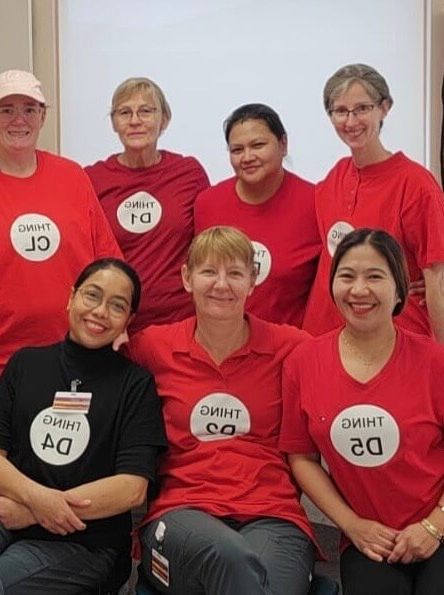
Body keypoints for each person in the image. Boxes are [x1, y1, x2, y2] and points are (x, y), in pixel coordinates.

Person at [0, 258, 167, 594]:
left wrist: (35, 512)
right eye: (92, 296)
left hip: (85, 540)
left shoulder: (135, 385)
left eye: (117, 305)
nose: (99, 311)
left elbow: (131, 488)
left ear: (129, 320)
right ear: (71, 298)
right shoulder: (25, 363)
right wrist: (36, 502)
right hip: (6, 513)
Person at [280, 229, 444, 595]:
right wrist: (350, 524)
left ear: (400, 290)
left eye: (375, 277)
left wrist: (434, 526)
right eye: (347, 276)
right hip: (370, 533)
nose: (359, 290)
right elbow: (301, 458)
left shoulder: (440, 365)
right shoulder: (303, 364)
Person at [126, 226, 317, 595]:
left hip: (273, 515)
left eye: (235, 273)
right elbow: (83, 369)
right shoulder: (152, 346)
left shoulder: (290, 347)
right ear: (187, 278)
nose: (221, 284)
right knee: (229, 558)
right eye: (209, 271)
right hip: (182, 514)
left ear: (252, 281)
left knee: (263, 582)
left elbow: (357, 367)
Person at [0, 69, 121, 404]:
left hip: (70, 364)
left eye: (29, 109)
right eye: (6, 110)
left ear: (43, 116)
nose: (19, 120)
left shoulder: (72, 177)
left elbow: (107, 265)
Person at [302, 63, 444, 350]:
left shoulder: (416, 185)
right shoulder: (332, 180)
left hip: (394, 344)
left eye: (362, 108)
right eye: (340, 111)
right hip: (327, 342)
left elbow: (439, 284)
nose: (351, 121)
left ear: (384, 108)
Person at [86, 77, 210, 332]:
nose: (135, 120)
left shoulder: (189, 173)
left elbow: (206, 245)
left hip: (180, 322)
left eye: (146, 111)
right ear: (113, 122)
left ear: (164, 120)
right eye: (124, 112)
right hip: (114, 323)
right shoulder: (92, 178)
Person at [193, 103, 321, 327]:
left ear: (283, 144)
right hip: (220, 345)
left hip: (289, 350)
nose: (247, 157)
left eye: (258, 145)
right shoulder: (207, 203)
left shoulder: (316, 202)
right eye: (237, 150)